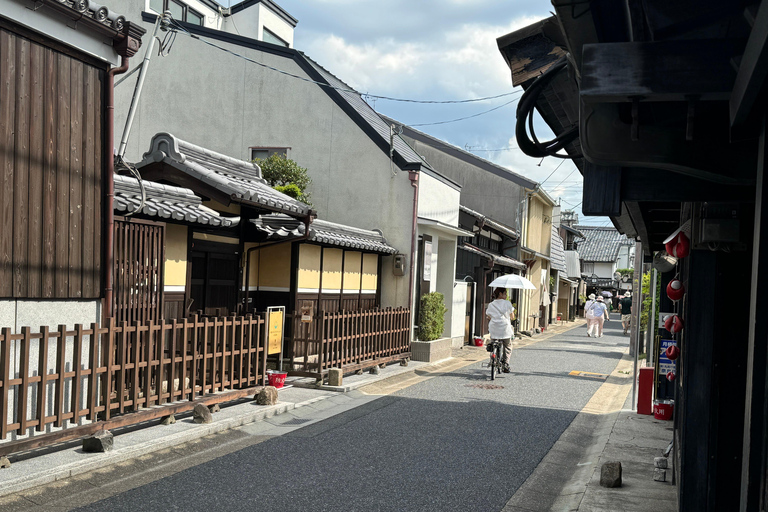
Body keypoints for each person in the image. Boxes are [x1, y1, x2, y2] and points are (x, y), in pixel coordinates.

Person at [486, 287, 516, 373]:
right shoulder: (507, 303)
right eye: (505, 293)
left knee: (494, 343)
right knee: (507, 346)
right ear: (500, 294)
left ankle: (493, 358)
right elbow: (512, 317)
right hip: (505, 328)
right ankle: (505, 364)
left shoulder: (491, 304)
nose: (506, 295)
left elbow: (488, 316)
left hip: (494, 328)